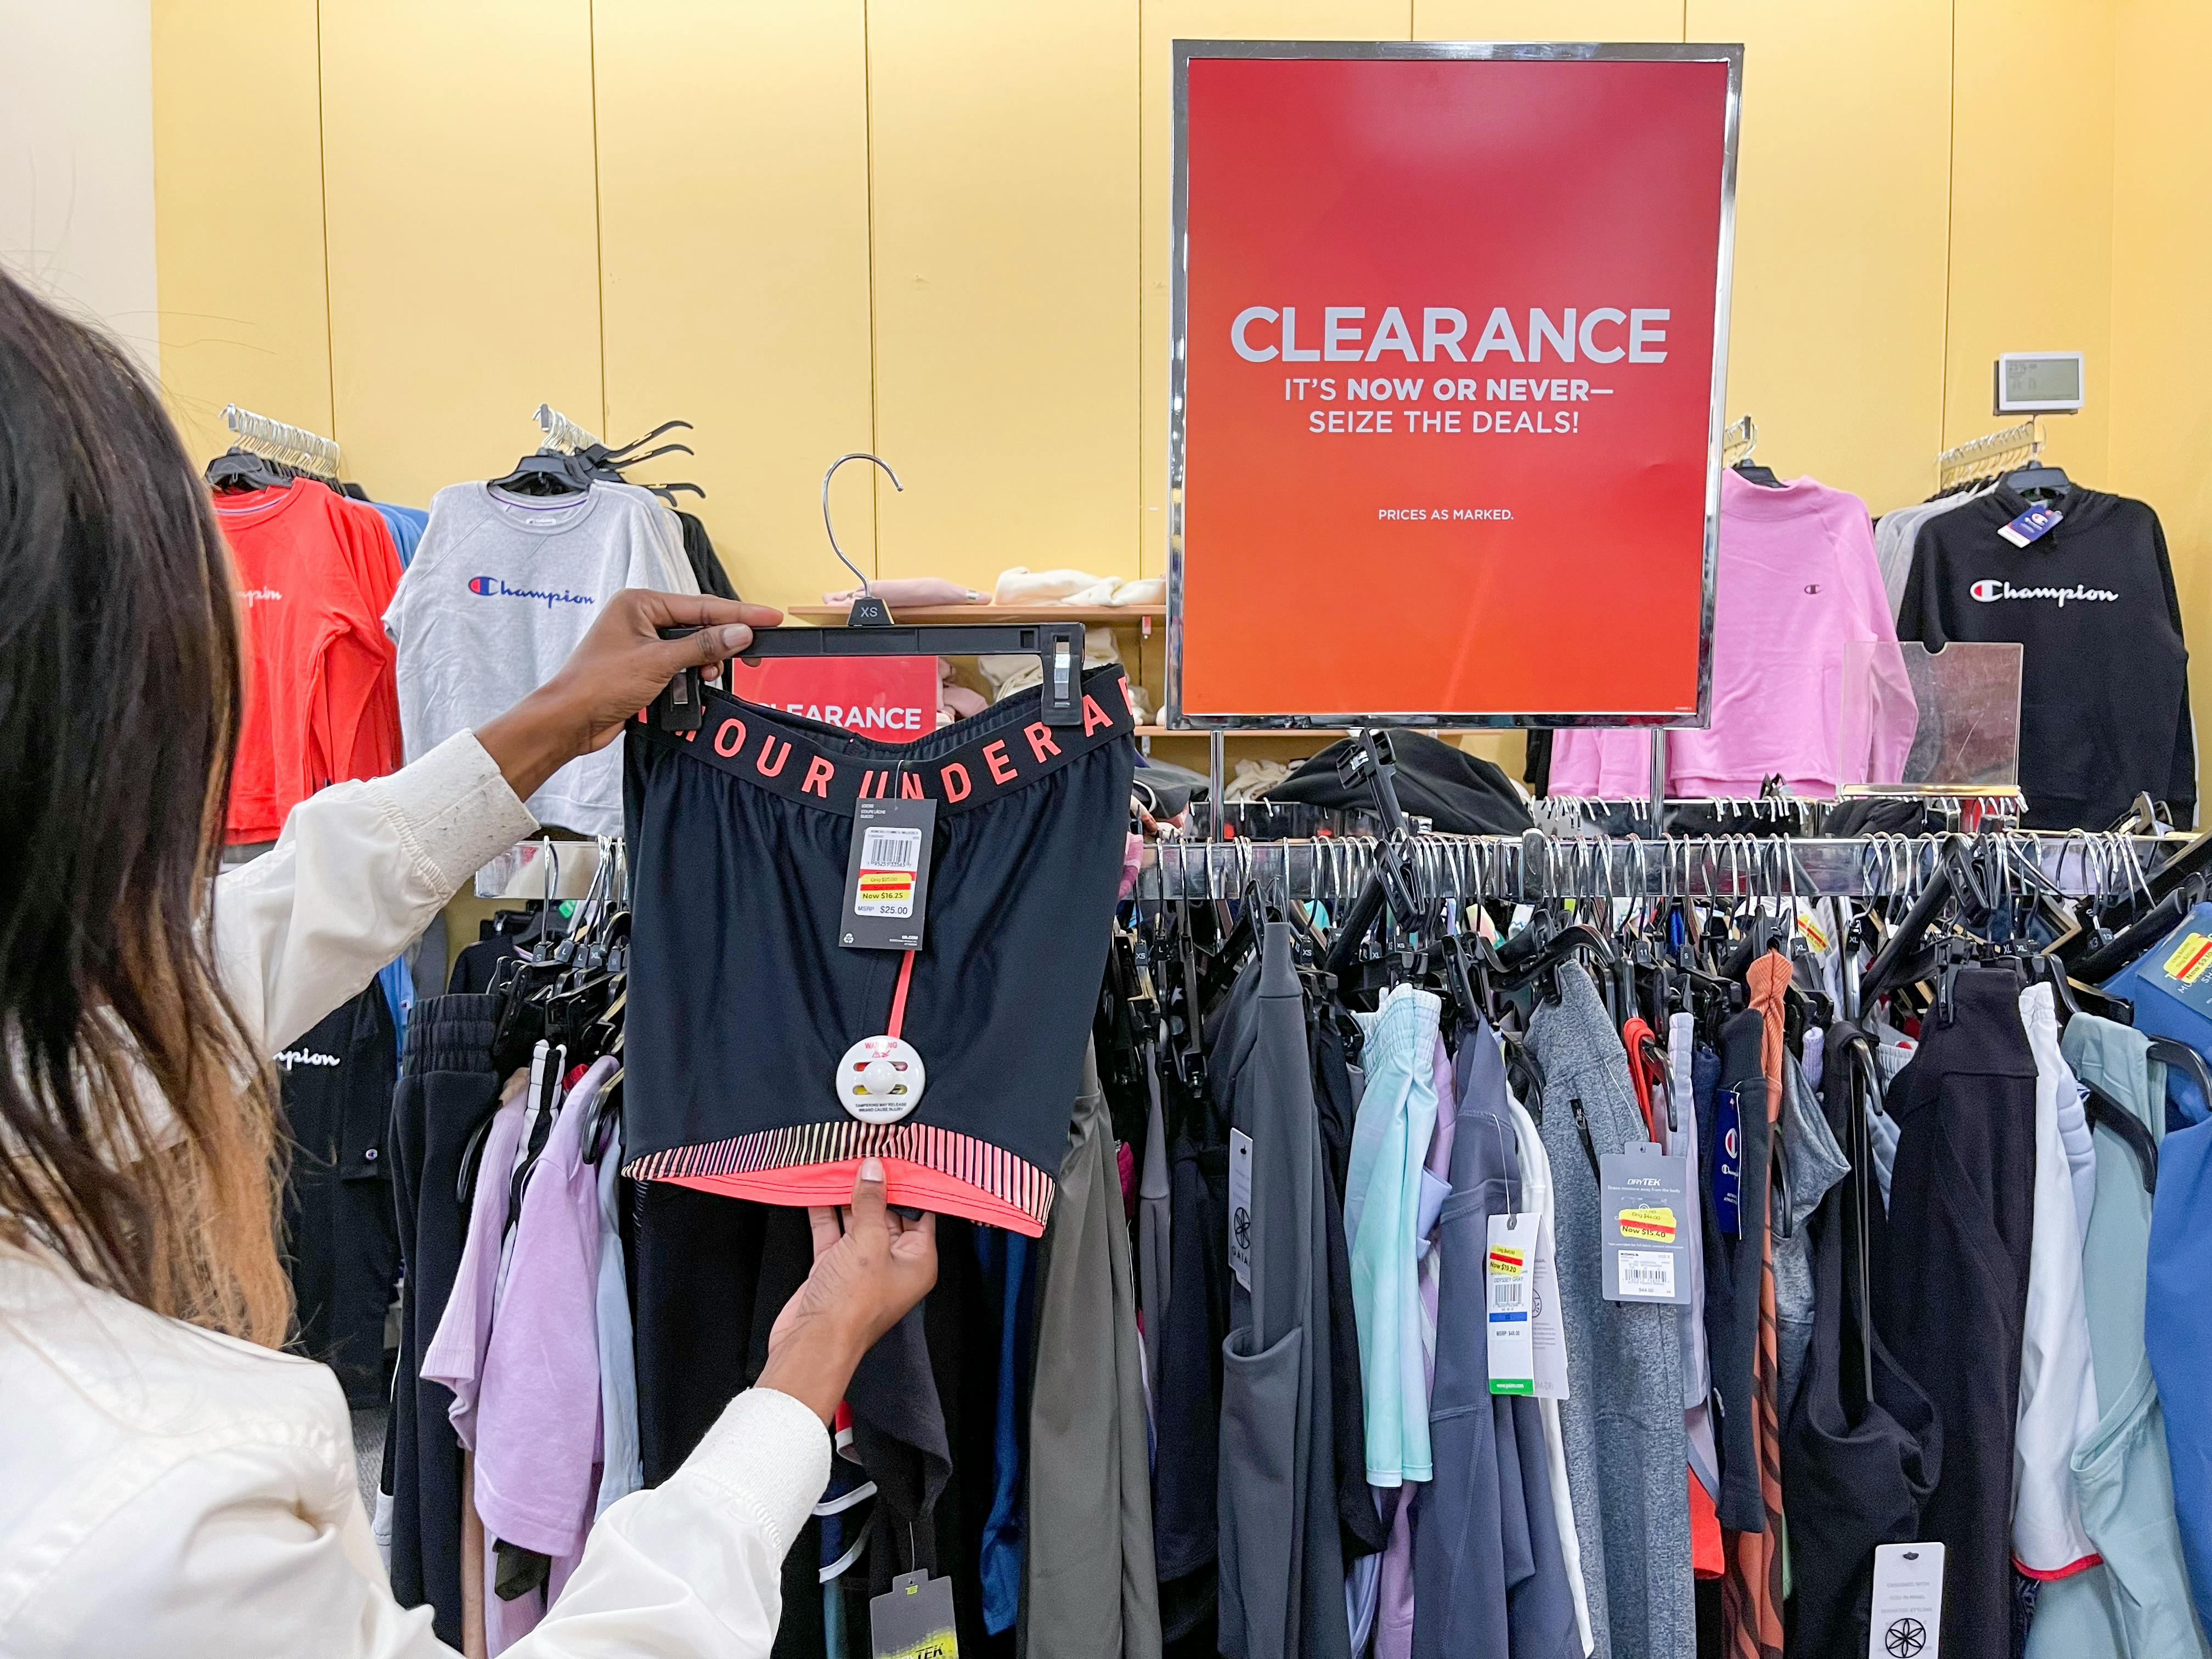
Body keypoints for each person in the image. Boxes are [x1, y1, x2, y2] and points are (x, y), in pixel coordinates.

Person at [0, 270, 937, 1657]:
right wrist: (803, 1375)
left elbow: (234, 948)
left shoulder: (58, 1057)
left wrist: (548, 723)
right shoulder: (141, 1525)